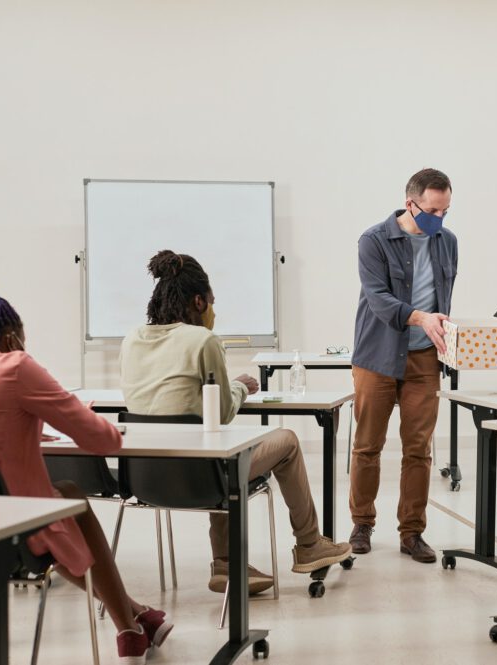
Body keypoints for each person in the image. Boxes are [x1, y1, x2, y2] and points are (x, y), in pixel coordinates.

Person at [0, 277, 170, 663]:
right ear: (11, 336)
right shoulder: (12, 366)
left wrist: (24, 435)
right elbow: (104, 441)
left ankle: (134, 621)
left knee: (61, 497)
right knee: (66, 501)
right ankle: (129, 626)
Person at [120, 250, 351, 595]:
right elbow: (224, 409)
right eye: (212, 302)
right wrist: (242, 386)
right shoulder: (203, 340)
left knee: (218, 446)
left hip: (143, 477)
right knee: (282, 440)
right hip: (199, 478)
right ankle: (309, 545)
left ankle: (226, 564)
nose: (214, 311)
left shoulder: (132, 338)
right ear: (198, 301)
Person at [348, 168, 457, 563]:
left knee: (418, 449)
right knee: (367, 446)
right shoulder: (374, 241)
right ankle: (362, 523)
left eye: (445, 211)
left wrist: (445, 333)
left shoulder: (448, 242)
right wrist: (421, 318)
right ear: (410, 203)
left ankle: (412, 532)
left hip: (424, 358)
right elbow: (377, 299)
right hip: (377, 355)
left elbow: (444, 297)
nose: (439, 219)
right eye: (432, 210)